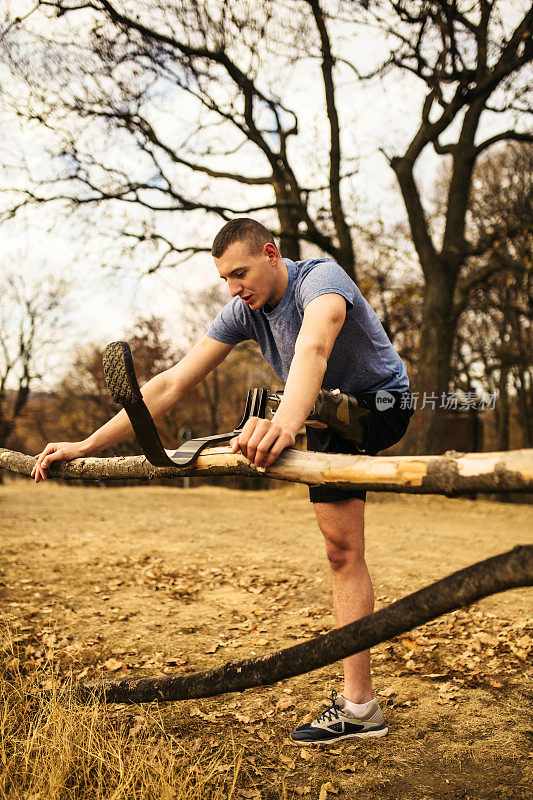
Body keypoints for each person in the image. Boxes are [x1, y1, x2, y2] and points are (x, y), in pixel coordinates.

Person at [32, 218, 414, 745]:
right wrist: (86, 443)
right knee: (341, 553)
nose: (235, 289)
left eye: (240, 273)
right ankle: (360, 710)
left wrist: (283, 423)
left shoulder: (322, 281)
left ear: (272, 254)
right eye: (226, 280)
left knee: (276, 403)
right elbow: (172, 381)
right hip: (324, 418)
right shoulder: (243, 310)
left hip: (382, 406)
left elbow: (314, 352)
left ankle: (281, 413)